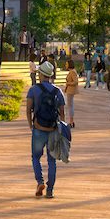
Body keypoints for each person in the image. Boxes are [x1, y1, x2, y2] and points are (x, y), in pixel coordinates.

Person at [26, 66, 69, 198]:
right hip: (53, 130)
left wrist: (31, 125)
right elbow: (62, 112)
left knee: (35, 157)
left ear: (40, 74)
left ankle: (40, 182)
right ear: (50, 75)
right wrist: (61, 129)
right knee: (52, 161)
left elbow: (28, 109)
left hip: (38, 129)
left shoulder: (33, 89)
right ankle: (50, 190)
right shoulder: (57, 91)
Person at [63, 59, 81, 126]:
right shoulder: (72, 71)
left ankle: (71, 122)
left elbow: (75, 81)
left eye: (67, 64)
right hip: (70, 90)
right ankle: (71, 121)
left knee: (70, 106)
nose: (66, 65)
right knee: (70, 105)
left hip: (71, 90)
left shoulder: (72, 72)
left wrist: (68, 83)